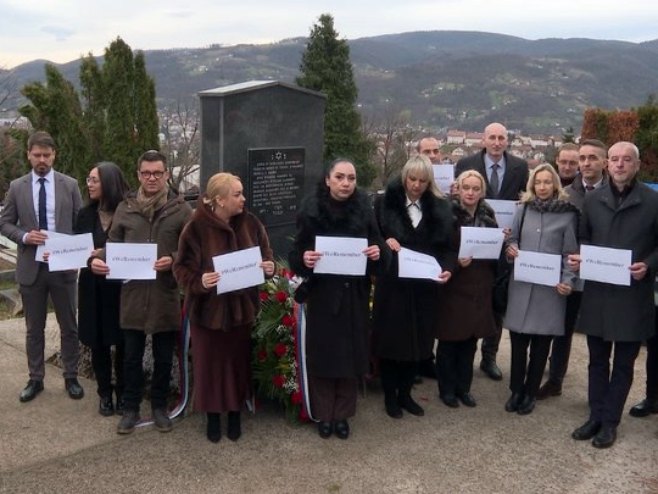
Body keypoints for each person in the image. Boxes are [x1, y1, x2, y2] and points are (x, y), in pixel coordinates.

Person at [89, 150, 192, 435]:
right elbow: (112, 244)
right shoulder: (126, 208)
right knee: (130, 357)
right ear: (138, 175)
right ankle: (131, 408)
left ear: (167, 174)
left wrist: (172, 258)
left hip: (164, 294)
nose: (151, 178)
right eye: (146, 173)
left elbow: (193, 249)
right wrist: (99, 260)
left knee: (162, 357)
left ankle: (159, 406)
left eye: (157, 173)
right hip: (132, 295)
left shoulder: (181, 210)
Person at [289, 158, 390, 440]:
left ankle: (343, 414)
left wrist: (377, 253)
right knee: (323, 356)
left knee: (350, 356)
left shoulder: (365, 210)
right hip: (322, 295)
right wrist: (304, 258)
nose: (346, 183)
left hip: (354, 296)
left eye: (351, 178)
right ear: (328, 180)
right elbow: (297, 252)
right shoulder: (311, 211)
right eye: (340, 177)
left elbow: (380, 248)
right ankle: (324, 413)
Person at [173, 173, 274, 443]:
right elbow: (180, 268)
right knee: (209, 367)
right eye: (237, 194)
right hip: (207, 313)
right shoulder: (195, 227)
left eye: (242, 193)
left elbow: (266, 256)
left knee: (236, 364)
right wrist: (199, 281)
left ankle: (235, 413)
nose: (243, 199)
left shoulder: (251, 223)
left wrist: (269, 268)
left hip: (241, 311)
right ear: (219, 199)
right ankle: (213, 416)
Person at [569, 141, 658, 448]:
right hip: (598, 292)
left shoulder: (652, 201)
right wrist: (581, 255)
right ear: (608, 164)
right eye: (615, 159)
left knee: (623, 363)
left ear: (636, 164)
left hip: (633, 294)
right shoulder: (593, 200)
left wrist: (648, 265)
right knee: (596, 360)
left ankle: (610, 422)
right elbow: (583, 236)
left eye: (626, 160)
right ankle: (595, 415)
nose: (620, 165)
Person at [0, 131, 84, 402]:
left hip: (63, 268)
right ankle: (35, 378)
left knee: (69, 326)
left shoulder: (69, 185)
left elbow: (80, 226)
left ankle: (71, 376)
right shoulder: (17, 186)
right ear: (28, 155)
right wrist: (25, 236)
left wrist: (68, 251)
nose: (42, 160)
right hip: (30, 268)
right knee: (33, 328)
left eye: (46, 155)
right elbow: (4, 222)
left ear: (54, 155)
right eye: (37, 155)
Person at [372, 155, 454, 418]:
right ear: (404, 177)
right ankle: (390, 395)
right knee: (391, 342)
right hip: (393, 284)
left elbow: (449, 247)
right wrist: (386, 242)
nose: (416, 185)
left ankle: (406, 394)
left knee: (417, 342)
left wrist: (448, 269)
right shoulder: (384, 202)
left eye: (422, 180)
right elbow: (371, 234)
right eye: (412, 179)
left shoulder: (441, 207)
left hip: (424, 287)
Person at [455, 122, 529, 381]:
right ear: (483, 140)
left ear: (507, 141)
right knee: (468, 300)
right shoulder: (465, 165)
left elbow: (525, 200)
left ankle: (490, 356)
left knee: (496, 302)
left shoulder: (520, 167)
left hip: (503, 244)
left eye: (502, 138)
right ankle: (465, 354)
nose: (497, 142)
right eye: (492, 138)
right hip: (472, 244)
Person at [503, 163, 578, 415]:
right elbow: (511, 239)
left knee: (540, 346)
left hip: (549, 290)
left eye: (547, 182)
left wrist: (568, 280)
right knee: (518, 343)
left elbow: (570, 253)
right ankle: (516, 389)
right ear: (532, 185)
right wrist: (510, 249)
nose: (542, 186)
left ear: (555, 184)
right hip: (522, 286)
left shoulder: (568, 214)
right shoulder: (522, 209)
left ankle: (531, 392)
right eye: (538, 182)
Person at [537, 139, 608, 399]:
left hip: (603, 271)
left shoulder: (614, 191)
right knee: (563, 327)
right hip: (571, 270)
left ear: (604, 162)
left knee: (601, 334)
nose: (586, 163)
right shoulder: (565, 194)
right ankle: (555, 380)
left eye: (592, 158)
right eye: (583, 158)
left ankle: (598, 392)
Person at [434, 170, 498, 408]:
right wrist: (456, 264)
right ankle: (446, 389)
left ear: (482, 191)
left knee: (470, 341)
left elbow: (495, 252)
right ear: (458, 189)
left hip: (479, 285)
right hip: (454, 284)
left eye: (475, 188)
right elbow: (438, 250)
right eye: (466, 187)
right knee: (450, 340)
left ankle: (464, 388)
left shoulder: (489, 215)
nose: (470, 192)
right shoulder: (446, 214)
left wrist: (502, 241)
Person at [75, 162, 130, 416]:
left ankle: (122, 392)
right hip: (92, 289)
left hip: (120, 290)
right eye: (88, 179)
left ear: (109, 182)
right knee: (98, 345)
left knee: (122, 343)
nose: (89, 183)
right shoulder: (84, 214)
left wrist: (108, 254)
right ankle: (104, 394)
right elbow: (78, 251)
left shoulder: (129, 212)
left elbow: (136, 246)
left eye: (94, 179)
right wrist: (90, 260)